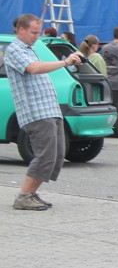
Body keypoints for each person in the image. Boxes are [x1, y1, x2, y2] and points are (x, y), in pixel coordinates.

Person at [7, 14, 84, 210]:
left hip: (48, 109)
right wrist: (65, 62)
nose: (36, 36)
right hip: (36, 112)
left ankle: (31, 193)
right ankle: (23, 195)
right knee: (46, 154)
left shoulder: (30, 49)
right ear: (21, 30)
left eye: (38, 32)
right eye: (33, 32)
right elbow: (33, 69)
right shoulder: (15, 49)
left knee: (57, 154)